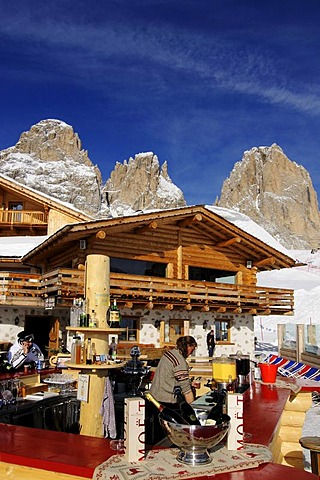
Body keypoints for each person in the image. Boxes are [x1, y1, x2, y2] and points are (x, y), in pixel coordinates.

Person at [147, 335, 197, 445]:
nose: (191, 353)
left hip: (155, 397)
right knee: (168, 437)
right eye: (192, 349)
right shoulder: (179, 362)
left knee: (156, 436)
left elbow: (170, 376)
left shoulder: (169, 354)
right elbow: (186, 391)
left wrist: (188, 382)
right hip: (167, 402)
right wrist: (193, 412)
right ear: (188, 346)